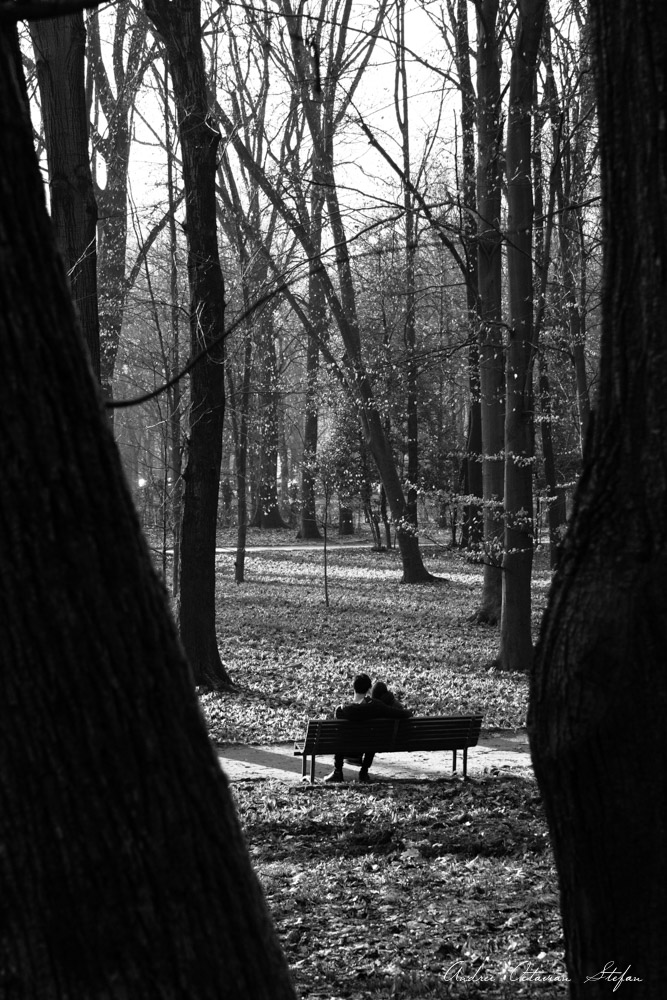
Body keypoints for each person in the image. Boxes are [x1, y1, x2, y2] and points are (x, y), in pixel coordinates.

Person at [324, 677, 411, 784]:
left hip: (347, 747)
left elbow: (347, 715)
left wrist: (343, 706)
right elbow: (403, 713)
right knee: (372, 737)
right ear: (369, 689)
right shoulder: (377, 706)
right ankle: (364, 772)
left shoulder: (343, 710)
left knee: (340, 735)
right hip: (369, 745)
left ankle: (338, 772)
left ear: (354, 688)